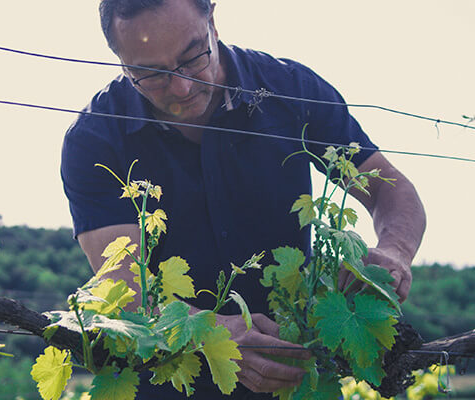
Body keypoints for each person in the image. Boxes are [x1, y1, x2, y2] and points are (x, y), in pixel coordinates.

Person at [60, 0, 426, 398]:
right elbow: (124, 289)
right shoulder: (94, 140)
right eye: (151, 74)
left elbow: (390, 189)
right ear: (120, 62)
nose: (182, 86)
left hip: (297, 377)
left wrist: (395, 249)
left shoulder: (291, 91)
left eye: (193, 55)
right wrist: (209, 332)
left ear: (213, 22)